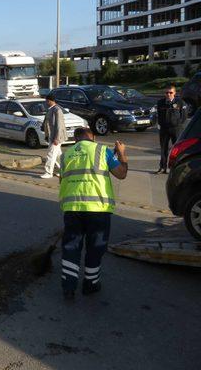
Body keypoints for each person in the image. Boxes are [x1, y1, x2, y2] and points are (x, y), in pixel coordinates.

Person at [59, 127, 128, 300]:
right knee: (95, 247)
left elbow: (62, 180)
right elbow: (121, 174)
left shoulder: (65, 155)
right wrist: (121, 154)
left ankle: (68, 287)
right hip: (98, 209)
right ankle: (90, 284)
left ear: (75, 140)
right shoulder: (102, 150)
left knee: (71, 246)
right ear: (93, 137)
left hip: (72, 207)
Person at [156, 84, 186, 174]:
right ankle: (162, 167)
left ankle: (176, 168)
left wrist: (177, 124)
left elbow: (184, 116)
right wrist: (161, 124)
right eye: (167, 92)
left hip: (176, 129)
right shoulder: (160, 102)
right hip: (164, 129)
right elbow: (159, 115)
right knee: (163, 149)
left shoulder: (180, 102)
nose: (168, 94)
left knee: (177, 149)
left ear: (174, 93)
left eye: (170, 92)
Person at [40, 94, 66, 179]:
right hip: (52, 136)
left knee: (51, 154)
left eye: (47, 101)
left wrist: (57, 138)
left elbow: (59, 125)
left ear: (50, 101)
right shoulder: (51, 109)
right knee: (58, 155)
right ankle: (64, 171)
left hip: (56, 137)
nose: (46, 102)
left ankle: (48, 172)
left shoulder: (57, 110)